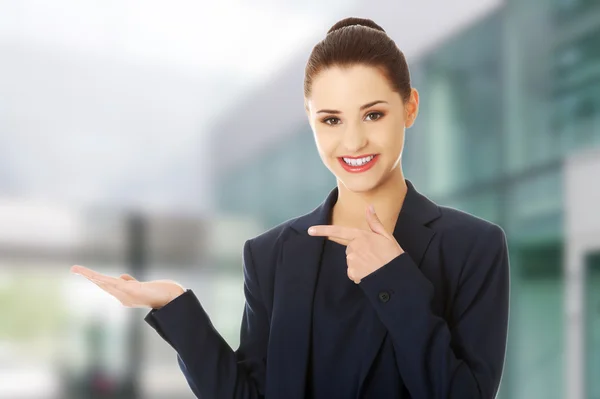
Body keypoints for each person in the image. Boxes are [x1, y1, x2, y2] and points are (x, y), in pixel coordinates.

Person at [71, 16, 510, 399]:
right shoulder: (271, 255)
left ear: (409, 107)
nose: (353, 141)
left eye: (373, 114)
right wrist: (176, 308)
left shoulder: (473, 248)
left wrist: (391, 280)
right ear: (310, 119)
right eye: (331, 119)